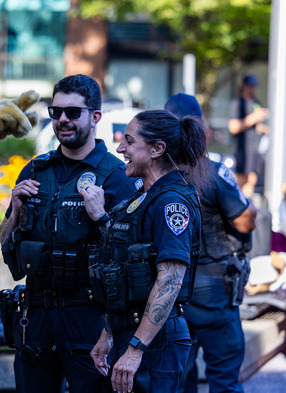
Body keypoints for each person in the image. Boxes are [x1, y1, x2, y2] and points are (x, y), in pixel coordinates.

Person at [0, 74, 137, 393]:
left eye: (73, 112)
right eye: (55, 112)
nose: (62, 120)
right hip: (36, 316)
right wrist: (15, 210)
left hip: (89, 316)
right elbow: (5, 240)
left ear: (95, 116)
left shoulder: (117, 176)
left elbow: (133, 256)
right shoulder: (35, 170)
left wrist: (101, 217)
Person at [88, 109, 207, 393]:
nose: (120, 148)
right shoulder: (145, 199)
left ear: (156, 149)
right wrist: (109, 332)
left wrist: (136, 349)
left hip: (155, 340)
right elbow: (127, 274)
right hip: (131, 333)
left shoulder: (170, 203)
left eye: (129, 141)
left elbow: (170, 280)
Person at [166, 93, 257, 393]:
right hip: (214, 293)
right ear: (201, 126)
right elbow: (245, 220)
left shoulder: (156, 175)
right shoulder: (213, 172)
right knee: (224, 380)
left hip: (171, 294)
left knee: (177, 379)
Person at [228, 73, 269, 198]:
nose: (253, 89)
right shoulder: (237, 103)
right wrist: (253, 118)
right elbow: (233, 127)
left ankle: (246, 206)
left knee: (252, 179)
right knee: (241, 179)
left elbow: (255, 126)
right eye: (251, 86)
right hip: (242, 148)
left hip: (254, 147)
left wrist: (264, 128)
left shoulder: (256, 102)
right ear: (244, 86)